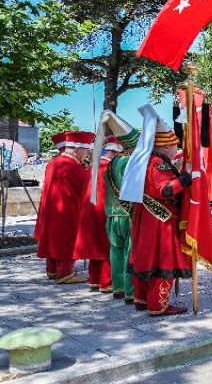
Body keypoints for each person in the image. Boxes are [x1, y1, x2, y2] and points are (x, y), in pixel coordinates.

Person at [123, 113, 194, 316]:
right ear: (165, 147)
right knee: (164, 261)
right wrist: (187, 177)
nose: (177, 149)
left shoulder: (147, 160)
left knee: (146, 259)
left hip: (147, 216)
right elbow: (165, 190)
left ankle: (142, 299)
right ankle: (158, 304)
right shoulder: (158, 163)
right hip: (161, 219)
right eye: (175, 146)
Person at [34, 131, 95, 284]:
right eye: (86, 150)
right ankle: (65, 272)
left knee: (53, 239)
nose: (87, 154)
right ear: (77, 149)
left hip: (52, 208)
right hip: (68, 209)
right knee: (68, 239)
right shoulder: (71, 165)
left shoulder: (55, 162)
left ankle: (52, 270)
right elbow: (86, 186)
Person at [73, 136, 123, 293]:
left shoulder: (93, 166)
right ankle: (106, 282)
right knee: (107, 246)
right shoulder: (110, 167)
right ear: (116, 153)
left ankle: (94, 279)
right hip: (103, 210)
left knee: (95, 246)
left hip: (89, 210)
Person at [102, 111, 140, 303]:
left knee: (115, 251)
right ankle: (129, 290)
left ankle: (117, 287)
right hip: (127, 214)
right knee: (128, 251)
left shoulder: (111, 163)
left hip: (111, 213)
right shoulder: (130, 163)